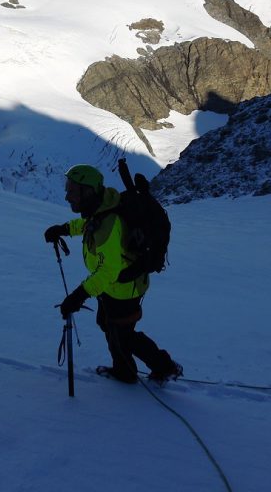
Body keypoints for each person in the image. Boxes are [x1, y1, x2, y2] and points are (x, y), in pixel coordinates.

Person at [45, 164, 182, 385]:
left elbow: (108, 272)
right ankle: (154, 366)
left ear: (88, 191)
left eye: (72, 190)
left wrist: (78, 296)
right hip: (114, 287)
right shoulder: (102, 208)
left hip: (123, 289)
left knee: (121, 334)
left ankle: (137, 371)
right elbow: (88, 225)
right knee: (113, 327)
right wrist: (64, 229)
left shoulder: (108, 224)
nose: (67, 195)